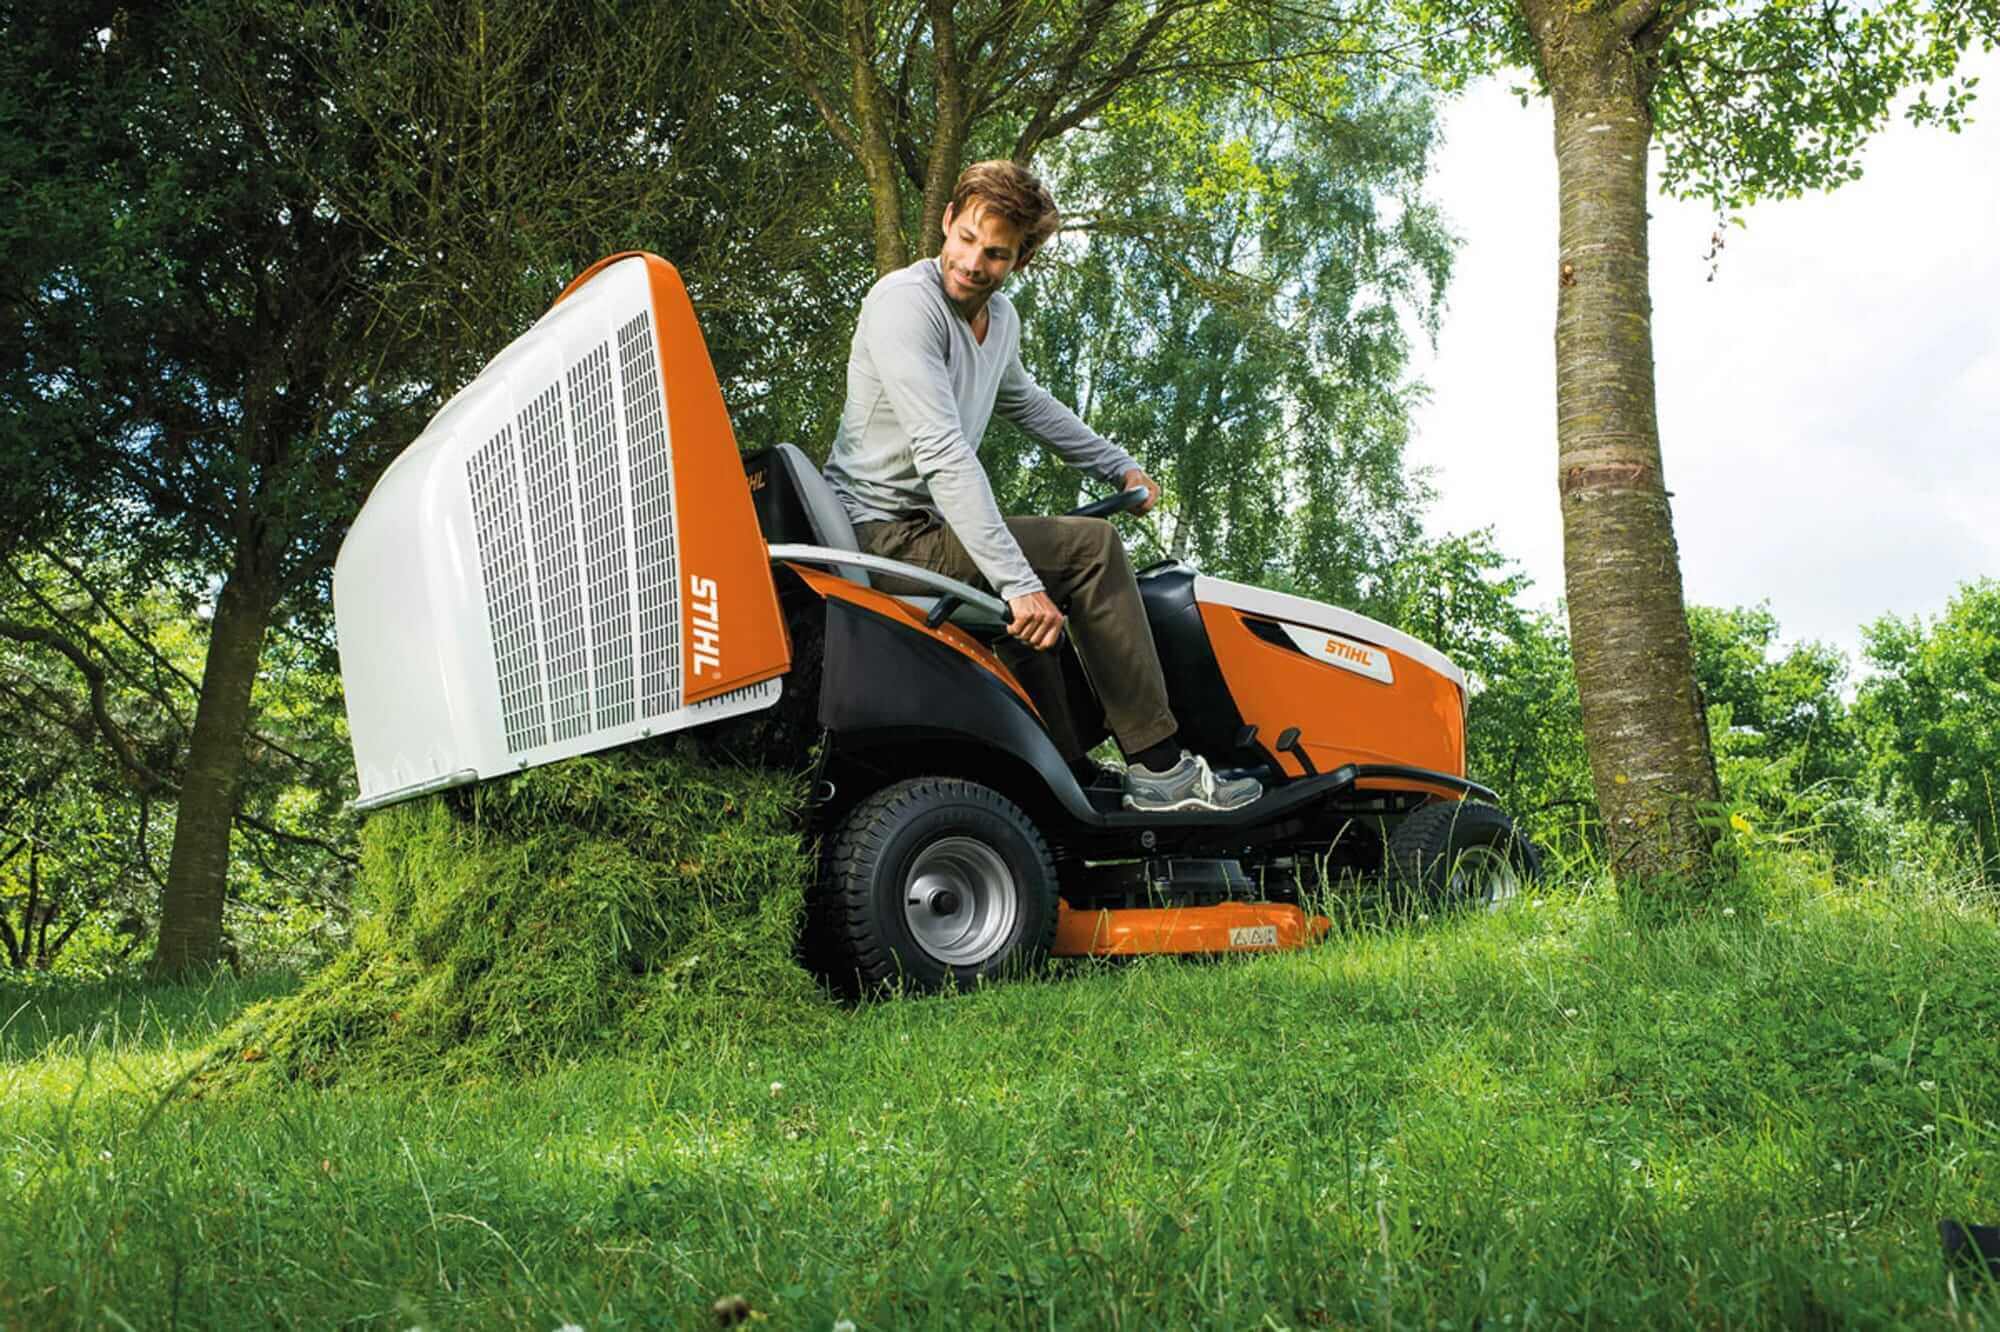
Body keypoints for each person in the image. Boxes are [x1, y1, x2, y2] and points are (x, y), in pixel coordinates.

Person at [823, 159, 1261, 813]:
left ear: (1018, 260)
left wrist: (1117, 464)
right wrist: (1017, 581)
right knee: (1090, 549)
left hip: (924, 532)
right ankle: (1163, 772)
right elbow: (942, 451)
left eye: (995, 253)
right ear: (947, 221)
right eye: (967, 238)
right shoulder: (903, 305)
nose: (973, 262)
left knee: (1048, 577)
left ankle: (1072, 769)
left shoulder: (998, 322)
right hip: (877, 537)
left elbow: (1028, 404)